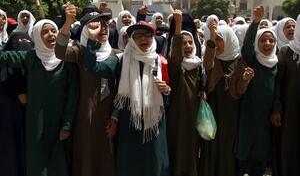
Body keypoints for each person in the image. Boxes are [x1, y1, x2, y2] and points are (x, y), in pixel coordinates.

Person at [85, 20, 170, 176]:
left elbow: (168, 97)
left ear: (153, 38)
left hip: (154, 124)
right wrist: (91, 39)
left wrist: (166, 90)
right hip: (129, 123)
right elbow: (94, 68)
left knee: (155, 163)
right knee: (130, 166)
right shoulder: (122, 59)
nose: (143, 39)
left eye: (147, 35)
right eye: (137, 36)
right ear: (131, 39)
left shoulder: (161, 61)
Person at [0, 19, 79, 176]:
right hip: (37, 123)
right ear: (36, 36)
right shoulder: (31, 58)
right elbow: (5, 57)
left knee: (59, 164)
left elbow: (73, 95)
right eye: (44, 32)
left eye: (53, 31)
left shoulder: (67, 60)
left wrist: (67, 125)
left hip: (59, 123)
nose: (50, 34)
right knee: (37, 163)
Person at [55, 4, 117, 176]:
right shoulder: (80, 51)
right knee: (86, 159)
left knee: (107, 157)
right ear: (84, 30)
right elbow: (59, 51)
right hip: (85, 116)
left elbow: (122, 90)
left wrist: (115, 117)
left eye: (104, 24)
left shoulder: (117, 54)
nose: (102, 28)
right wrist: (67, 23)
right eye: (95, 24)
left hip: (108, 116)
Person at [199, 18, 253, 176]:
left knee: (228, 143)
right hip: (214, 108)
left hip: (231, 110)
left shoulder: (239, 61)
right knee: (212, 141)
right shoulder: (213, 59)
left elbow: (240, 90)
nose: (217, 44)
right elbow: (208, 64)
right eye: (215, 41)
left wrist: (245, 80)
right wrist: (212, 37)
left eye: (219, 40)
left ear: (229, 40)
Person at [236, 5, 278, 176]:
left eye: (271, 41)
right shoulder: (253, 60)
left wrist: (276, 110)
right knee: (244, 153)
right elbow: (246, 48)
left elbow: (279, 91)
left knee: (260, 157)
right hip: (248, 114)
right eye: (262, 40)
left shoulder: (278, 63)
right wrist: (255, 23)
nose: (267, 44)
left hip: (266, 118)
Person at [167, 10, 205, 176]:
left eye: (190, 43)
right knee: (177, 150)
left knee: (191, 150)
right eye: (184, 43)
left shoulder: (197, 65)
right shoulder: (175, 66)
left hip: (193, 116)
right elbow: (176, 56)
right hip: (177, 116)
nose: (188, 46)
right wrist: (178, 28)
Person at [0, 32, 34, 176]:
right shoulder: (4, 63)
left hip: (30, 112)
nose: (22, 43)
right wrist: (16, 91)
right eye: (18, 41)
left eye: (26, 41)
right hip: (7, 112)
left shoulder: (36, 62)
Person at [271, 14, 300, 176]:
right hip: (290, 108)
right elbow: (279, 83)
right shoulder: (286, 51)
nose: (292, 29)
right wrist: (276, 109)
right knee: (289, 145)